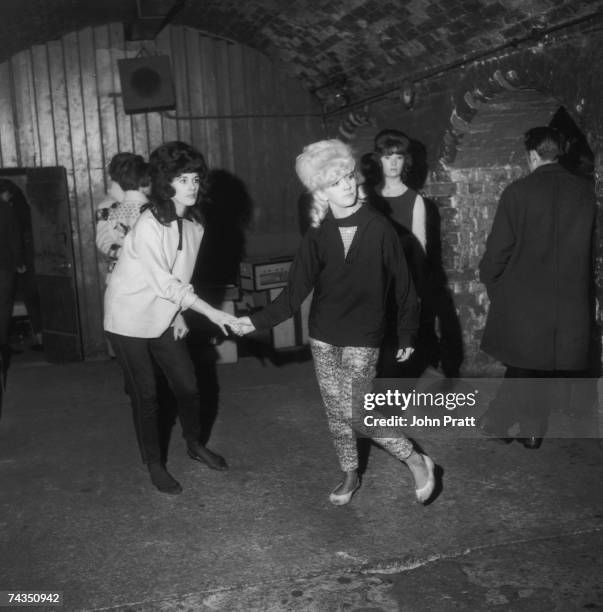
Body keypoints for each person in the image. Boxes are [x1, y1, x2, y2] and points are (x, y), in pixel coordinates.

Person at [233, 139, 438, 506]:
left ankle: (416, 460)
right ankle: (349, 473)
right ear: (320, 190)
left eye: (348, 177)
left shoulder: (379, 228)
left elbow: (405, 287)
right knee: (335, 411)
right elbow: (294, 292)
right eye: (334, 182)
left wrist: (408, 331)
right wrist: (254, 322)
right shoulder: (318, 233)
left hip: (364, 335)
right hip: (325, 334)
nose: (345, 186)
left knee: (358, 412)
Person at [104, 141, 238, 494]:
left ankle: (194, 445)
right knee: (146, 394)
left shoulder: (194, 222)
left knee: (188, 386)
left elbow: (183, 273)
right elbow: (164, 281)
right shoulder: (149, 224)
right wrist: (211, 312)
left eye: (195, 177)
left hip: (164, 314)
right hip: (128, 318)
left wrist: (180, 312)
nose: (192, 185)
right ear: (166, 183)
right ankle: (154, 463)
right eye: (182, 178)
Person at [478, 127, 596, 449]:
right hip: (568, 300)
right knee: (534, 362)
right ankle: (525, 427)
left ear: (532, 155)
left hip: (525, 299)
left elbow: (498, 250)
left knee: (526, 360)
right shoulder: (586, 192)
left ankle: (508, 423)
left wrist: (491, 281)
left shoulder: (518, 192)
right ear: (560, 152)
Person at [96, 153, 151, 284]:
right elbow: (104, 241)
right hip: (121, 275)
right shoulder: (107, 206)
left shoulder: (144, 201)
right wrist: (129, 253)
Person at [0, 180, 26, 383]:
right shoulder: (5, 210)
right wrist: (19, 262)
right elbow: (14, 237)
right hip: (4, 266)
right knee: (3, 307)